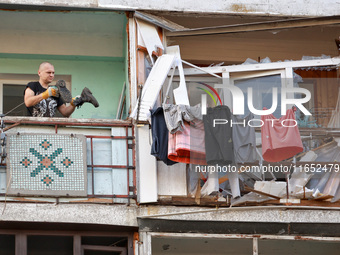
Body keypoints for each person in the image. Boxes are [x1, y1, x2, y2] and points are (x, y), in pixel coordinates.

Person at [24, 62, 99, 117]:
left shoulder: (55, 92)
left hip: (51, 129)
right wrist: (45, 94)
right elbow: (28, 102)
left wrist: (73, 104)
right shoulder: (32, 85)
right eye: (48, 72)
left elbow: (65, 112)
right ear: (39, 73)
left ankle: (83, 97)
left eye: (53, 73)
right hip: (34, 127)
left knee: (76, 101)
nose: (51, 75)